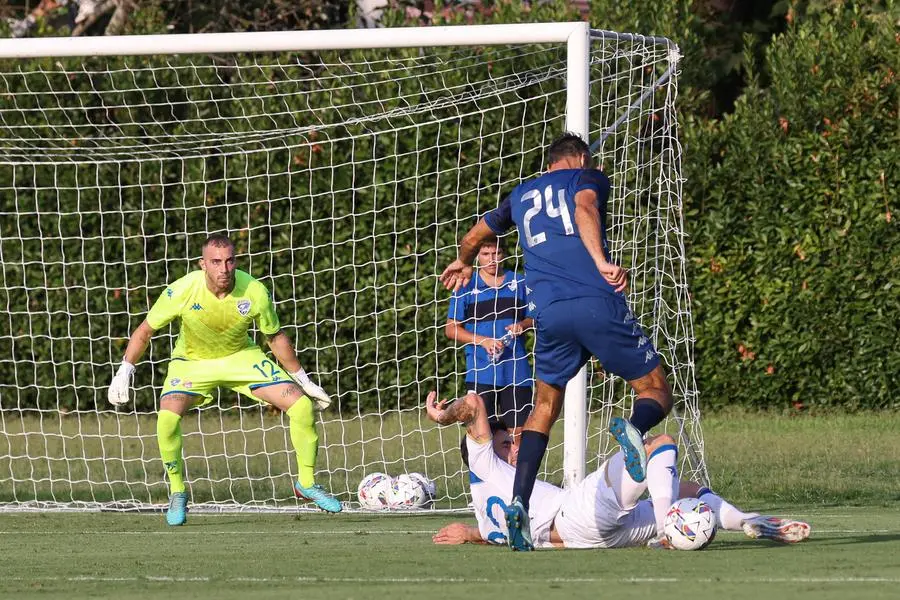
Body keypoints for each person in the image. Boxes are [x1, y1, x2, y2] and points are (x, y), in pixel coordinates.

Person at [440, 132, 673, 551]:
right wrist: (601, 261)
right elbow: (584, 207)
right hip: (594, 303)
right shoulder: (589, 177)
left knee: (544, 408)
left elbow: (477, 233)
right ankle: (634, 431)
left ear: (549, 162)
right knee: (655, 389)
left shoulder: (521, 194)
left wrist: (462, 260)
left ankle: (519, 503)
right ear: (581, 158)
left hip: (546, 315)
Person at [107, 234, 342, 524]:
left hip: (242, 358)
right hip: (192, 363)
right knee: (167, 418)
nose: (224, 269)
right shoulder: (181, 290)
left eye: (229, 261)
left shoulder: (253, 291)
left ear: (236, 261)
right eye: (216, 262)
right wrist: (124, 370)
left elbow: (275, 336)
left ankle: (306, 483)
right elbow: (145, 331)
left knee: (301, 407)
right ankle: (178, 491)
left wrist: (304, 381)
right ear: (202, 264)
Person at [426, 392, 811, 549]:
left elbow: (499, 530)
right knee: (660, 444)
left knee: (689, 488)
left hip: (592, 539)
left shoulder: (488, 505)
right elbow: (474, 404)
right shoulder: (484, 465)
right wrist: (445, 415)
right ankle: (666, 528)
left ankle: (749, 520)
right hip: (578, 513)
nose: (514, 445)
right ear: (478, 451)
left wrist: (470, 534)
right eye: (505, 442)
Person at [445, 237, 534, 441]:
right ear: (476, 256)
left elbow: (534, 318)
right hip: (481, 372)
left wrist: (523, 324)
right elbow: (451, 329)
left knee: (518, 438)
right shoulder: (466, 285)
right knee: (482, 437)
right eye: (486, 254)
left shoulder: (518, 282)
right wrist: (483, 340)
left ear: (504, 254)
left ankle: (517, 474)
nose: (492, 259)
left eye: (497, 253)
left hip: (516, 372)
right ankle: (480, 474)